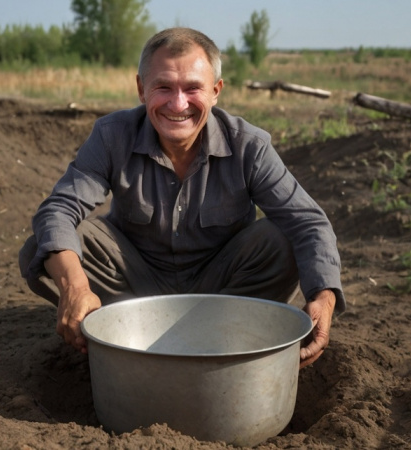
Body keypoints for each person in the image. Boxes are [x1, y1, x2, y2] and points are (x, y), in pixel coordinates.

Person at [19, 27, 345, 367]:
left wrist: (324, 297)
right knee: (48, 246)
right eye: (163, 87)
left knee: (284, 237)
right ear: (141, 89)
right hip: (134, 291)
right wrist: (75, 288)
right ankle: (119, 331)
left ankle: (229, 334)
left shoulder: (249, 146)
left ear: (216, 91)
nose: (178, 104)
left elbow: (308, 223)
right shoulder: (112, 136)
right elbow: (59, 210)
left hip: (225, 293)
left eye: (193, 88)